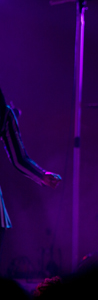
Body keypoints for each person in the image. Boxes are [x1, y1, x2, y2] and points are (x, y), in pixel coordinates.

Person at [0, 88, 62, 254]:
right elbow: (19, 159)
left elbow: (19, 158)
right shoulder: (5, 113)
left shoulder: (5, 113)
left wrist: (42, 175)